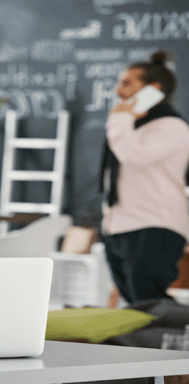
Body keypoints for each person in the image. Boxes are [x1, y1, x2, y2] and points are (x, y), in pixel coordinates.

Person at [100, 50, 189, 304]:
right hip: (119, 227)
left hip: (153, 227)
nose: (119, 91)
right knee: (137, 310)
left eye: (127, 83)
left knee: (151, 305)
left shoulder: (172, 127)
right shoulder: (132, 126)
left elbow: (133, 156)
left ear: (153, 89)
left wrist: (120, 117)